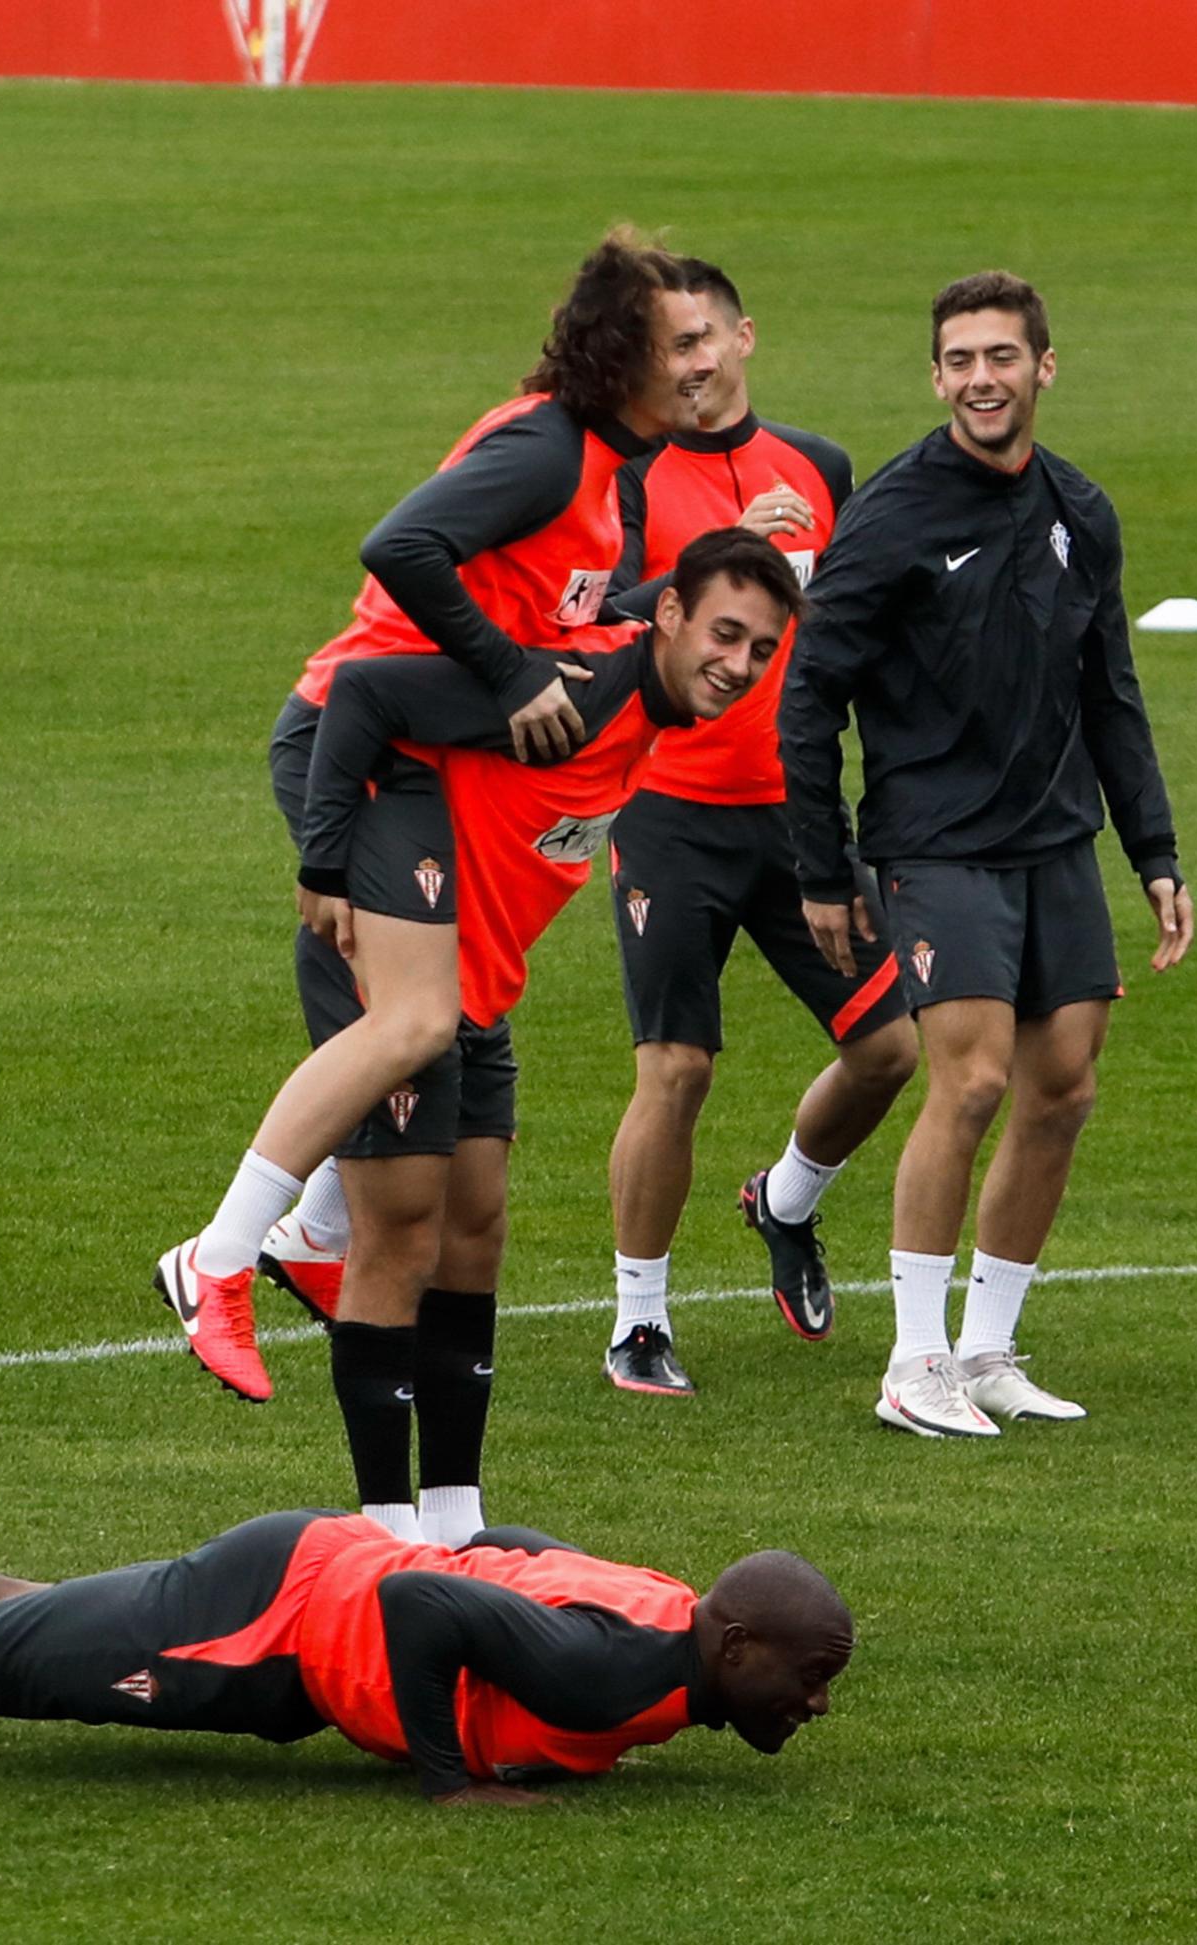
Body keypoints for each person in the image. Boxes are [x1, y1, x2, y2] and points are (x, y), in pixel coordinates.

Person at [158, 232, 717, 1409]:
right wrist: (511, 675)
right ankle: (213, 1263)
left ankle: (308, 1233)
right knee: (416, 1019)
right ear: (622, 357)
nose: (705, 361)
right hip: (357, 744)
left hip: (417, 752)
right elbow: (398, 548)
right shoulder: (544, 449)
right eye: (682, 342)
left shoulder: (612, 465)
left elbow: (568, 596)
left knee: (441, 1012)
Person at [281, 529, 806, 1544]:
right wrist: (327, 865)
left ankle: (454, 1517)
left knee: (474, 1235)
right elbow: (361, 694)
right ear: (669, 618)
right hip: (399, 980)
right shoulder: (571, 699)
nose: (737, 667)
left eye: (759, 649)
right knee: (399, 1240)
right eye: (724, 635)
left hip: (480, 991)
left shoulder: (639, 713)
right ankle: (385, 1529)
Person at [779, 270, 1196, 1439]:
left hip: (1054, 839)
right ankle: (913, 1362)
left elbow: (1108, 690)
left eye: (999, 357)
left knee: (1061, 1086)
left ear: (1041, 368)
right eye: (958, 360)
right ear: (934, 377)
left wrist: (1151, 847)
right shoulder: (896, 514)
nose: (979, 379)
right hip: (934, 840)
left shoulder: (1080, 511)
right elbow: (810, 692)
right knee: (966, 1081)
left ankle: (985, 1347)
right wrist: (821, 866)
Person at [0, 1510, 855, 1804]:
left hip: (298, 1579)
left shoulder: (663, 1611)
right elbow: (427, 1600)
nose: (809, 1704)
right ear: (731, 1646)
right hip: (274, 1628)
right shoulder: (613, 1675)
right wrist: (439, 1772)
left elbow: (503, 1545)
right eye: (805, 1675)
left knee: (30, 1613)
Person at [596, 259, 917, 1399]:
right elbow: (584, 623)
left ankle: (783, 1199)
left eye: (698, 341)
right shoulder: (624, 483)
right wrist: (718, 552)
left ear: (744, 337)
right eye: (663, 350)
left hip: (795, 817)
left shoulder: (819, 466)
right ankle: (637, 1320)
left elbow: (851, 621)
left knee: (889, 1047)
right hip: (668, 813)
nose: (684, 366)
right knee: (675, 1067)